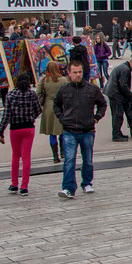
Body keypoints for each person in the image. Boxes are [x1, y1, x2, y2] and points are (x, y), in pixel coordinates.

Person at [54, 60, 107, 199]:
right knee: (69, 160)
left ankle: (87, 182)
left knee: (87, 159)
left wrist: (96, 118)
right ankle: (68, 188)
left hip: (87, 129)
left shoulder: (91, 89)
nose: (78, 75)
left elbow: (102, 104)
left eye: (80, 72)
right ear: (69, 74)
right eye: (75, 72)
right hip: (69, 129)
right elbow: (56, 105)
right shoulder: (64, 90)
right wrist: (62, 118)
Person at [0, 71, 41, 196]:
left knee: (16, 156)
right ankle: (24, 186)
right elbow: (39, 110)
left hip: (15, 128)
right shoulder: (32, 94)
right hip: (28, 127)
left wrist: (1, 130)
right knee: (26, 157)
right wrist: (31, 116)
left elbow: (6, 115)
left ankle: (14, 183)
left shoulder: (10, 95)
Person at [103, 54, 132, 142]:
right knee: (118, 115)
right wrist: (131, 95)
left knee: (117, 115)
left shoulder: (123, 67)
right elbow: (123, 84)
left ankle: (117, 133)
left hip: (112, 92)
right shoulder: (125, 69)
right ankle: (116, 134)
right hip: (115, 94)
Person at [37, 61, 68, 162]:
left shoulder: (43, 80)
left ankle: (55, 156)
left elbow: (38, 93)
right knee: (62, 131)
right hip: (61, 107)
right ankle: (63, 151)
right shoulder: (63, 80)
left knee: (51, 132)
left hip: (48, 107)